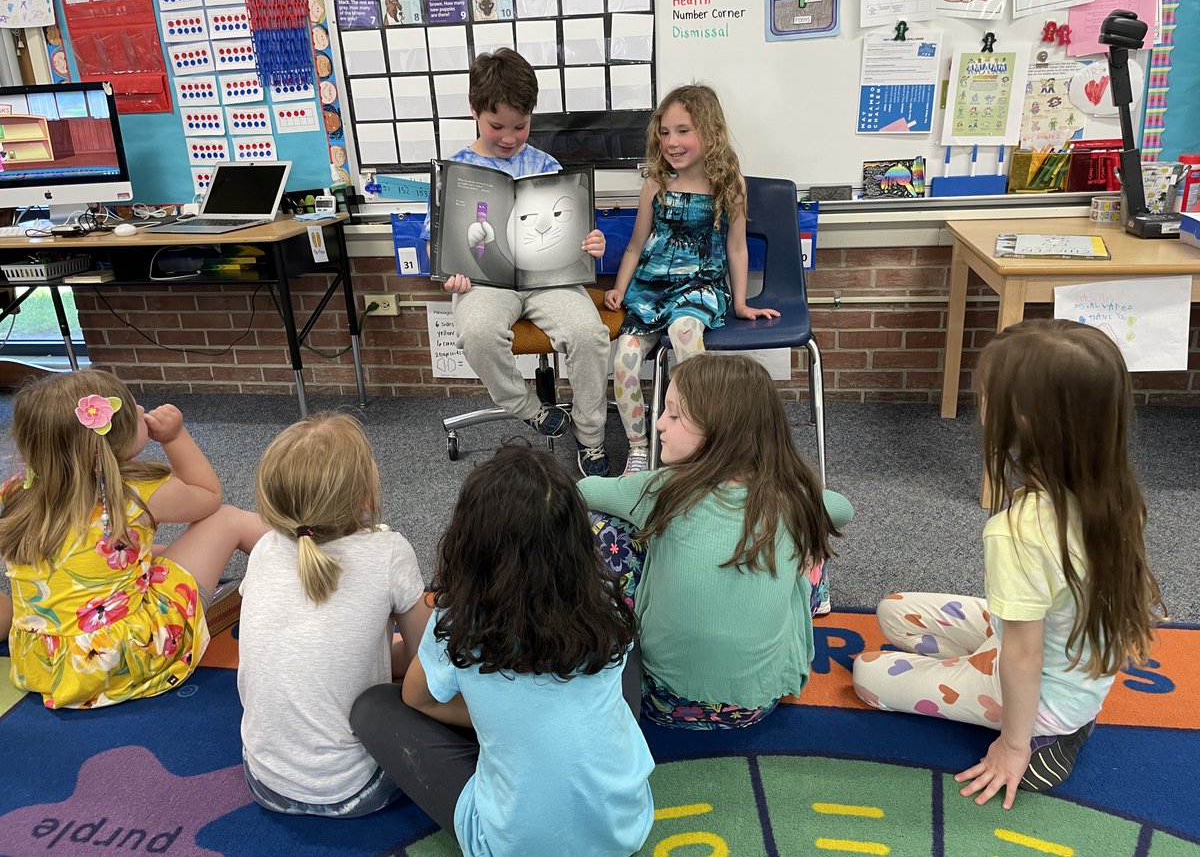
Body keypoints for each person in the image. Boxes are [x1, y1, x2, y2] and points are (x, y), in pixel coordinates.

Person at [852, 318, 1166, 809]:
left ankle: (1048, 736)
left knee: (868, 673)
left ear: (1023, 422)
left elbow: (1024, 658)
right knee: (893, 610)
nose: (980, 404)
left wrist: (1013, 746)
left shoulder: (1019, 531)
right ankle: (1033, 701)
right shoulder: (1117, 489)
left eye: (985, 395)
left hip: (1038, 692)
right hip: (1060, 655)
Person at [350, 441, 653, 856]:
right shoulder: (604, 600)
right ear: (577, 540)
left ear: (469, 543)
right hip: (623, 830)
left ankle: (519, 736)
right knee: (625, 649)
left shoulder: (459, 617)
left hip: (510, 845)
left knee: (372, 706)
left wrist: (494, 721)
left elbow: (415, 698)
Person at [579, 353, 854, 730]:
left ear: (719, 430)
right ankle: (817, 602)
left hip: (658, 698)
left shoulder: (660, 489)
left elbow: (583, 491)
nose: (658, 424)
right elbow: (842, 509)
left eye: (674, 415)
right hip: (759, 702)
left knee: (602, 525)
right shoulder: (792, 496)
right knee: (811, 529)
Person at [0, 369, 266, 709]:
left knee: (160, 554)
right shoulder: (137, 492)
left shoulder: (17, 492)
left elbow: (91, 559)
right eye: (132, 409)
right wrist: (175, 437)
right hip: (129, 655)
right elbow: (208, 497)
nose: (141, 409)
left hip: (46, 664)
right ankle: (318, 555)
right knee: (227, 519)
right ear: (115, 438)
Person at [421, 47, 613, 477]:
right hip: (484, 282)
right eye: (496, 126)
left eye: (520, 126)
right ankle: (528, 408)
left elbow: (570, 230)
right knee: (477, 333)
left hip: (548, 278)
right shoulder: (456, 170)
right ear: (474, 111)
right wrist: (448, 272)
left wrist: (590, 241)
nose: (509, 137)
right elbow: (436, 243)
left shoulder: (546, 165)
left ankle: (591, 436)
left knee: (589, 332)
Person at [237, 412, 430, 818]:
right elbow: (426, 664)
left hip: (263, 781)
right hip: (353, 789)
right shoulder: (389, 551)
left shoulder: (264, 550)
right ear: (365, 496)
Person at [604, 84, 780, 475]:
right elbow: (635, 246)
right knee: (625, 359)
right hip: (651, 288)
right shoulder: (655, 184)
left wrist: (740, 302)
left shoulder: (728, 185)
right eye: (665, 132)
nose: (672, 141)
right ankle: (638, 447)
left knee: (686, 337)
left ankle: (701, 442)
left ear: (709, 131)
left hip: (700, 286)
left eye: (683, 130)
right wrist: (619, 288)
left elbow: (737, 248)